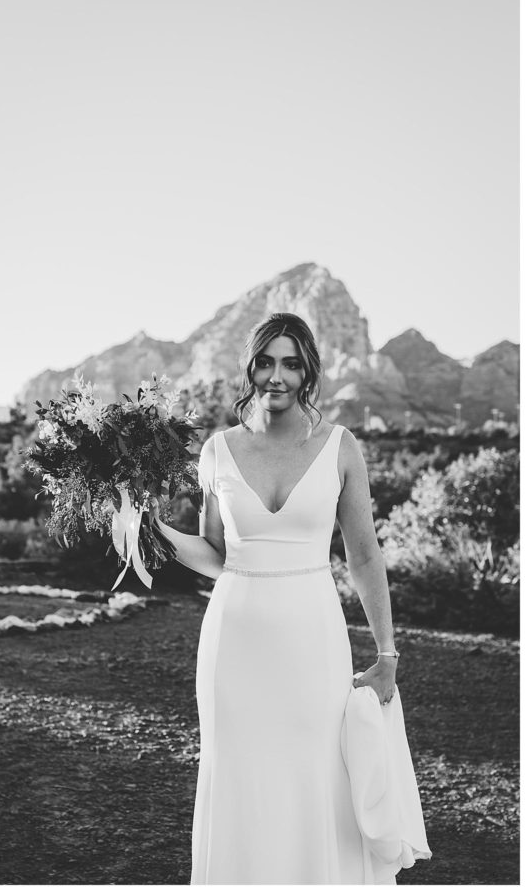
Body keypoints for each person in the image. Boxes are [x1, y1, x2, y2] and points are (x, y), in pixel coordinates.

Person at [150, 313, 424, 883]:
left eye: (291, 363)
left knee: (316, 772)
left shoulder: (340, 447)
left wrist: (388, 653)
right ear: (251, 367)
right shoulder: (218, 450)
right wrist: (151, 530)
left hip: (312, 636)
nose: (277, 375)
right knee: (239, 773)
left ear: (308, 372)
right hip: (234, 639)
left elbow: (365, 556)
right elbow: (215, 554)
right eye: (267, 361)